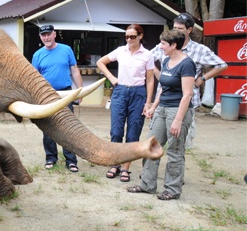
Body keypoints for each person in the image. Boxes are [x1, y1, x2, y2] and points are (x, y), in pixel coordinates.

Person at [127, 30, 196, 200]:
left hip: (178, 110)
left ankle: (172, 189)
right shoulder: (166, 61)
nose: (161, 47)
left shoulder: (187, 64)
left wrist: (178, 120)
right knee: (151, 146)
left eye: (163, 44)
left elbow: (187, 94)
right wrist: (153, 107)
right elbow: (163, 88)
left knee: (174, 150)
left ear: (174, 45)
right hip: (162, 108)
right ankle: (147, 184)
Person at [150, 13, 227, 148]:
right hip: (163, 99)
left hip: (186, 101)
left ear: (189, 30)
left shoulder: (199, 49)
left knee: (179, 145)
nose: (176, 31)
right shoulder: (164, 45)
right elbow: (147, 60)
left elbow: (222, 65)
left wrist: (202, 78)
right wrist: (159, 74)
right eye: (174, 27)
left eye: (179, 28)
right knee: (155, 143)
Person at [97, 24, 155, 182]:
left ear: (140, 36)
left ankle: (126, 168)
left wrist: (148, 102)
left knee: (133, 132)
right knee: (116, 131)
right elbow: (101, 62)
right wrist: (112, 78)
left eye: (133, 36)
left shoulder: (147, 55)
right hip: (120, 92)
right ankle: (115, 163)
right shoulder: (120, 51)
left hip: (138, 93)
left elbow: (150, 80)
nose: (129, 39)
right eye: (127, 36)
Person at [32, 24, 83, 172]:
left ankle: (71, 160)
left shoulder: (66, 50)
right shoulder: (37, 55)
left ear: (54, 34)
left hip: (66, 93)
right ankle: (50, 158)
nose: (46, 37)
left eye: (49, 34)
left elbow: (74, 70)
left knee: (67, 126)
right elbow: (34, 78)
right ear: (40, 37)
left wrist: (79, 91)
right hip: (46, 94)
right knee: (48, 128)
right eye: (43, 35)